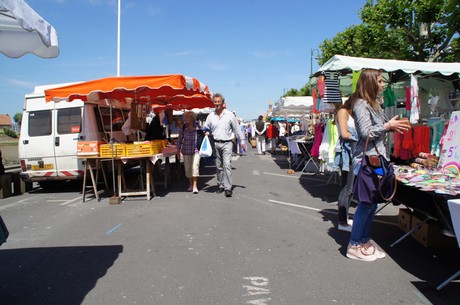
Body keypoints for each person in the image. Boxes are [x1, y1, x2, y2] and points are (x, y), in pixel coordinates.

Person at [346, 69, 410, 262]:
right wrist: (388, 126)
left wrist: (389, 126)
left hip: (377, 159)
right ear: (370, 83)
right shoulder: (361, 104)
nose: (383, 85)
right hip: (367, 161)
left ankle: (364, 241)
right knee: (366, 204)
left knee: (372, 204)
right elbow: (366, 132)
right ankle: (355, 244)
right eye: (380, 81)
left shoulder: (375, 105)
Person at [203, 93, 246, 197]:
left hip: (227, 143)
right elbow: (205, 127)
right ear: (213, 103)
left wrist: (243, 141)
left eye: (219, 102)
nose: (217, 104)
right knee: (218, 167)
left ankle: (228, 188)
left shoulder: (229, 115)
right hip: (216, 143)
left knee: (227, 165)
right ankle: (221, 185)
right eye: (215, 102)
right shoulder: (210, 116)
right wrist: (206, 132)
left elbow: (237, 128)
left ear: (223, 103)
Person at [334, 96, 358, 232]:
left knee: (348, 187)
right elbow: (344, 134)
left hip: (351, 153)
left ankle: (344, 218)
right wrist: (360, 136)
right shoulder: (343, 112)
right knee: (347, 188)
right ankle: (342, 221)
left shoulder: (347, 113)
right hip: (347, 153)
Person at [176, 111, 202, 194]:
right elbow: (180, 139)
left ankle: (195, 186)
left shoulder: (197, 125)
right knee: (188, 169)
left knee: (195, 167)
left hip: (196, 150)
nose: (185, 119)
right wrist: (178, 151)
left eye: (186, 117)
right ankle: (190, 184)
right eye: (185, 117)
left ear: (191, 118)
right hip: (186, 150)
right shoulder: (183, 127)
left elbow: (202, 135)